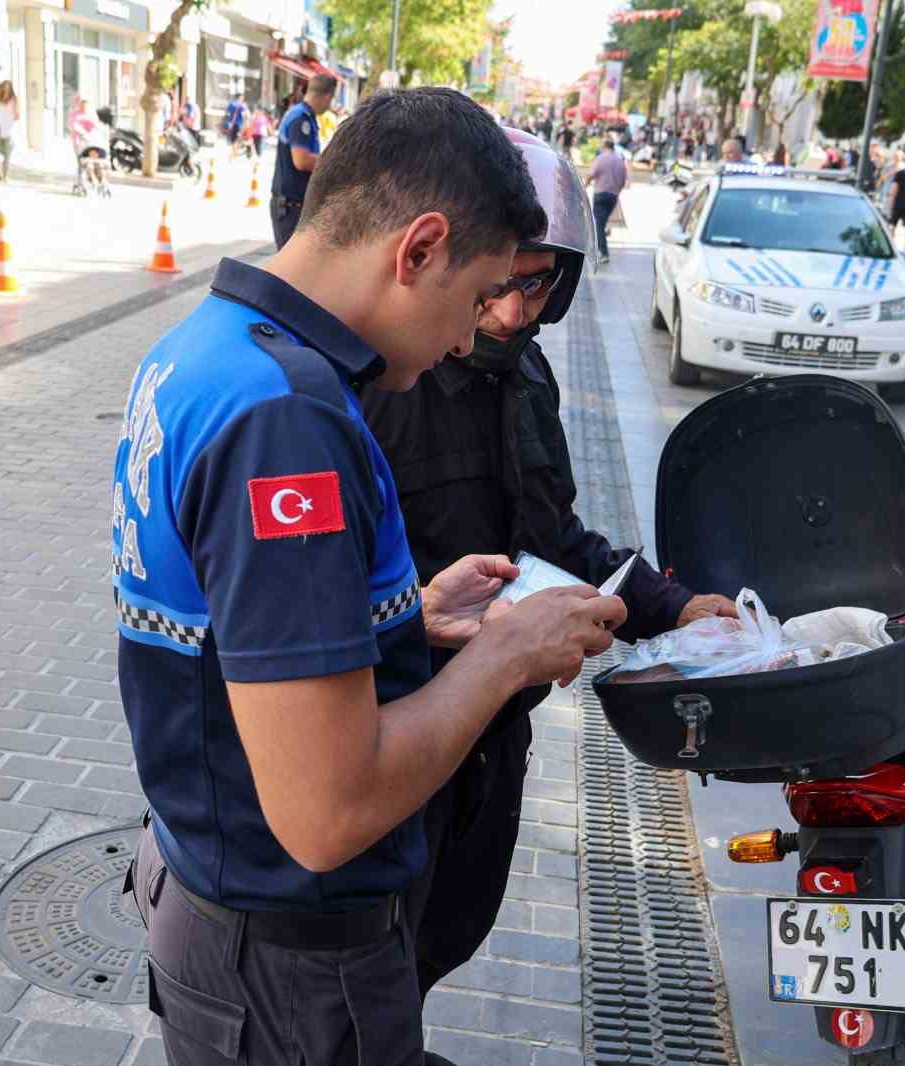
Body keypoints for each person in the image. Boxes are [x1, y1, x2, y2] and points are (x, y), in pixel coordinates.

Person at [118, 87, 625, 1066]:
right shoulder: (288, 422)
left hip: (221, 911)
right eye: (477, 295)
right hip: (290, 966)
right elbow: (326, 811)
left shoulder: (208, 350)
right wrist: (508, 653)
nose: (470, 334)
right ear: (417, 248)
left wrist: (402, 618)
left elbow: (225, 625)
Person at [362, 128, 736, 1013]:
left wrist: (673, 607)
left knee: (444, 935)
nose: (510, 312)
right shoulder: (378, 384)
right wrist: (419, 615)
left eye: (536, 283)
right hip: (397, 733)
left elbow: (556, 534)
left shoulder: (527, 376)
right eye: (498, 285)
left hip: (495, 734)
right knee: (365, 971)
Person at [271, 74, 339, 250]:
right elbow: (301, 160)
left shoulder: (304, 115)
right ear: (328, 96)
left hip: (294, 205)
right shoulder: (300, 118)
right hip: (290, 207)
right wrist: (335, 163)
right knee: (289, 272)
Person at [586, 132, 627, 264]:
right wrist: (616, 192)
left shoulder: (601, 158)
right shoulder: (620, 160)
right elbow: (622, 181)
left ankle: (603, 252)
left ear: (604, 146)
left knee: (598, 224)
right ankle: (599, 242)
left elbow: (591, 175)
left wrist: (584, 186)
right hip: (613, 196)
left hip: (601, 194)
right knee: (601, 223)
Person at [67, 97, 108, 197]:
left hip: (91, 142)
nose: (84, 106)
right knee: (81, 164)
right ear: (79, 104)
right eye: (82, 104)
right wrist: (81, 132)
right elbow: (73, 125)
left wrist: (96, 133)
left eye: (86, 104)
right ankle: (81, 184)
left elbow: (96, 125)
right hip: (79, 142)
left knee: (97, 163)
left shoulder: (91, 113)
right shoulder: (74, 114)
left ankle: (100, 182)